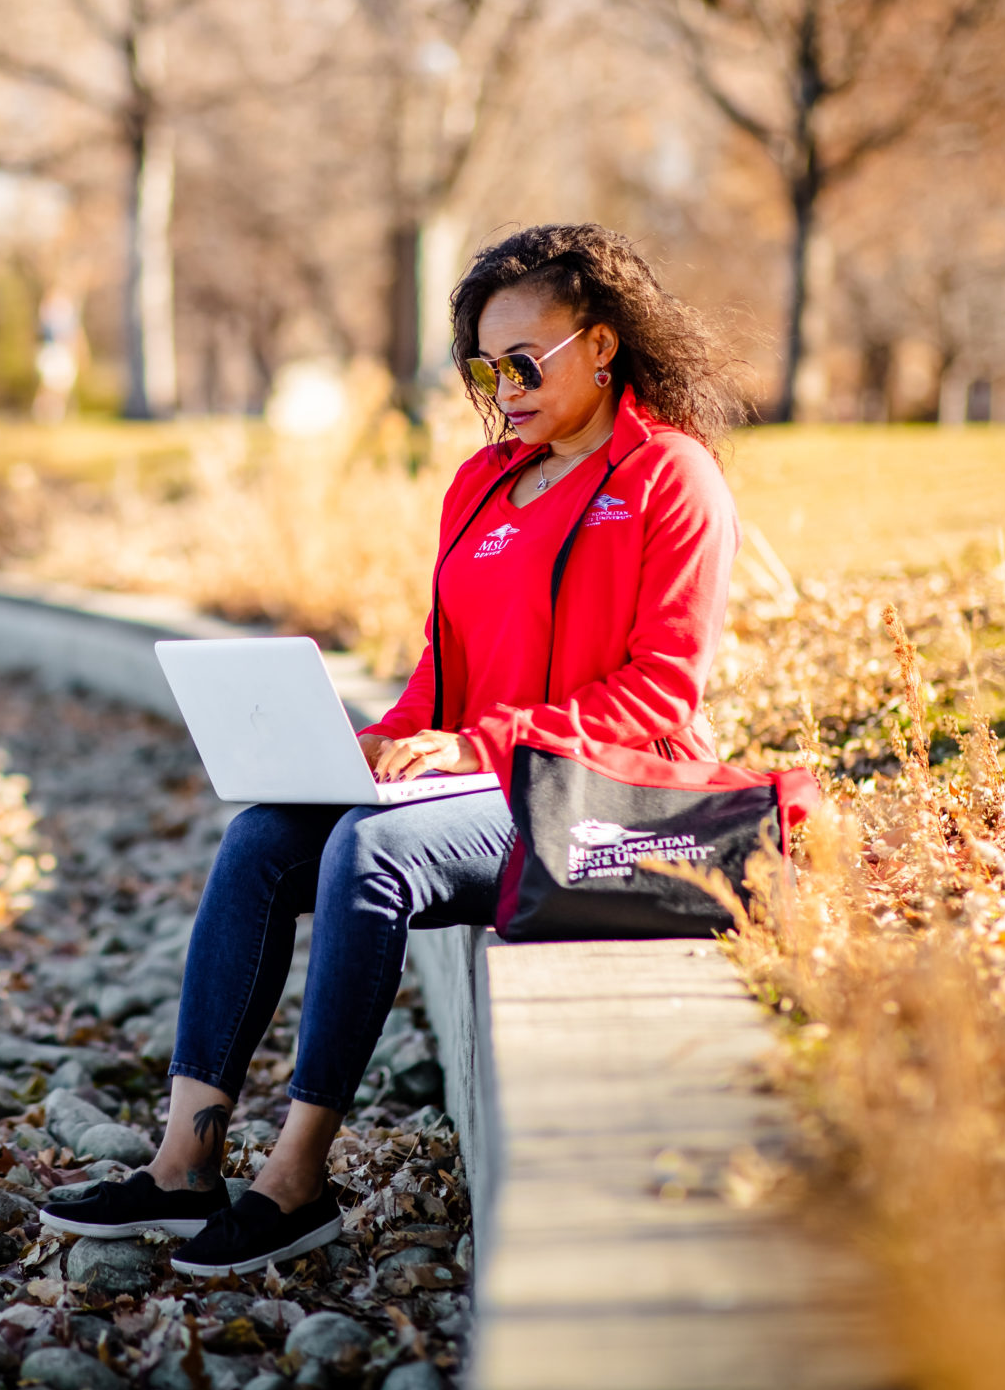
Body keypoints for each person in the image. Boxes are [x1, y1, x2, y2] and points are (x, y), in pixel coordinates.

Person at [43, 224, 747, 1275]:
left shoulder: (668, 479)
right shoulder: (478, 487)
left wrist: (472, 747)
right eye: (482, 366)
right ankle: (182, 1168)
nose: (501, 387)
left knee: (373, 857)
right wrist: (372, 746)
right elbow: (439, 674)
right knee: (263, 841)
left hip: (603, 794)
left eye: (525, 362)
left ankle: (297, 1179)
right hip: (489, 777)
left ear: (601, 346)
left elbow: (661, 691)